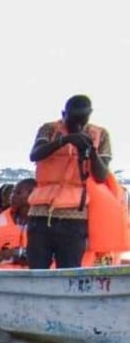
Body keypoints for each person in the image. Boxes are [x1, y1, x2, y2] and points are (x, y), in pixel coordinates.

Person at [27, 94, 114, 270]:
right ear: (63, 113)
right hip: (39, 216)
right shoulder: (49, 129)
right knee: (36, 271)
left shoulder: (101, 135)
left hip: (75, 219)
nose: (77, 125)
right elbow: (34, 154)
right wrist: (65, 140)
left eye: (82, 120)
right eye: (72, 120)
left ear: (89, 115)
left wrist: (91, 151)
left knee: (68, 271)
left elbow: (101, 176)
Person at [0, 177, 34, 267]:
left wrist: (15, 253)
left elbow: (47, 255)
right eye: (13, 192)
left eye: (18, 193)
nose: (12, 196)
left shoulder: (46, 222)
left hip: (35, 277)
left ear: (32, 195)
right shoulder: (1, 218)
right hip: (1, 276)